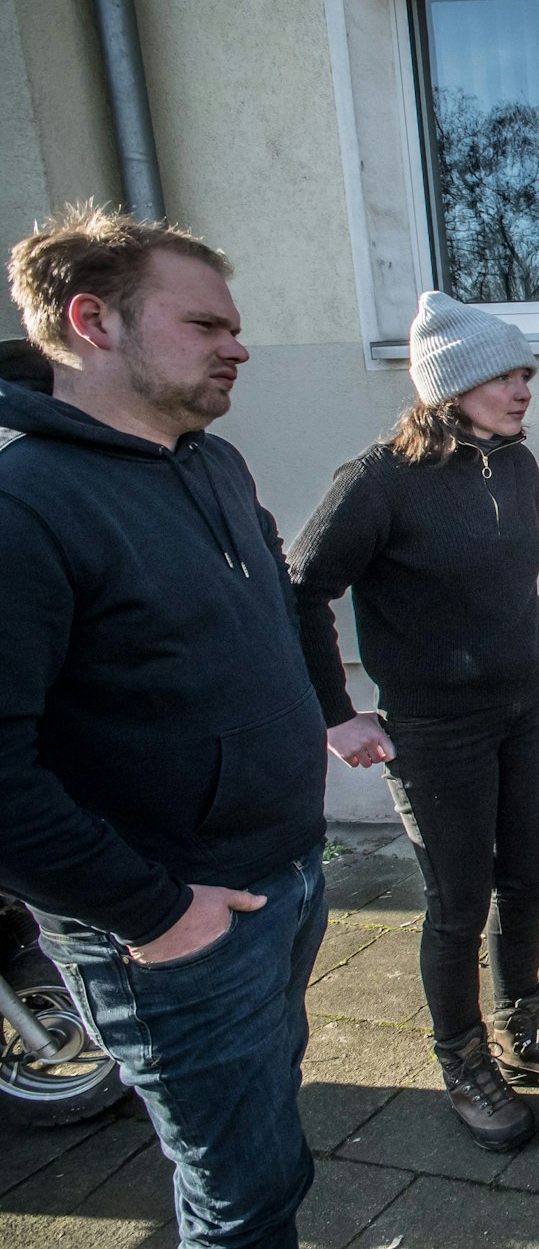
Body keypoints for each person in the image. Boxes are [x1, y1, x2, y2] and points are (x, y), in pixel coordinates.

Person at [0, 205, 327, 1247]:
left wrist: (327, 719)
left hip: (285, 879)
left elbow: (279, 608)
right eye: (205, 325)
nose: (238, 347)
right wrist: (156, 913)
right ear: (93, 321)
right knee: (244, 1198)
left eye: (235, 327)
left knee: (269, 1147)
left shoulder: (212, 462)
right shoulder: (25, 507)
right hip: (174, 927)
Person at [290, 292, 539, 1152]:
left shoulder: (516, 464)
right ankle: (463, 1062)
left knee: (524, 878)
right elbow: (300, 589)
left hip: (524, 705)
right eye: (505, 376)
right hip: (437, 730)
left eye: (526, 374)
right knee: (458, 903)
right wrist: (334, 715)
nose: (523, 389)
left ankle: (524, 1028)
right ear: (450, 386)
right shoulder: (378, 480)